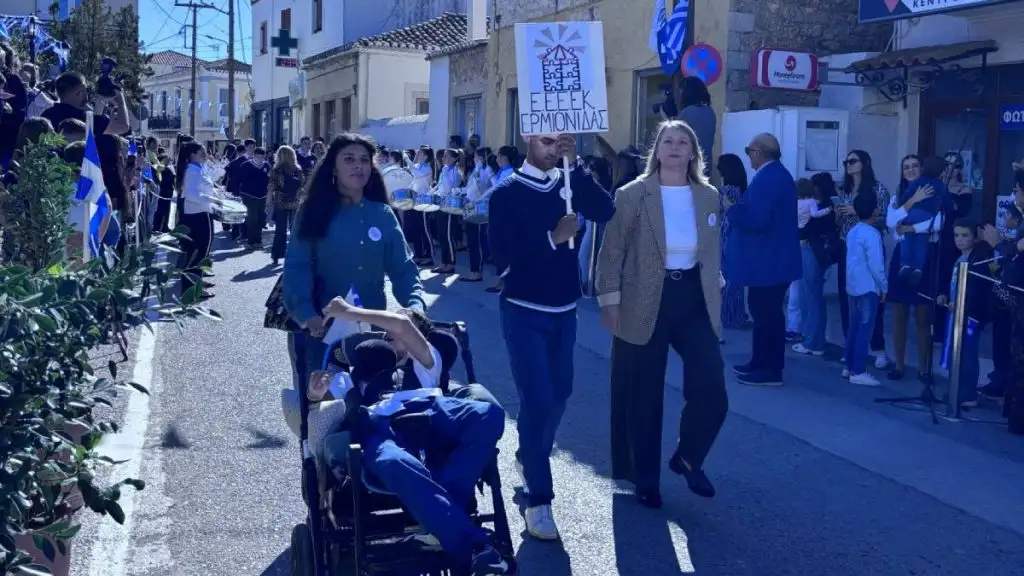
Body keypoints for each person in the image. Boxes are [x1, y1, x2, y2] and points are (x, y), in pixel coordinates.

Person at [316, 300, 512, 574]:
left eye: (390, 330)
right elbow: (321, 399)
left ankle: (440, 522)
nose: (385, 334)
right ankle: (472, 546)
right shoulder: (357, 372)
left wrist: (349, 312)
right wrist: (315, 391)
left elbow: (403, 326)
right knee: (392, 462)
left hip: (431, 411)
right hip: (380, 422)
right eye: (383, 331)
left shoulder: (427, 362)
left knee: (488, 414)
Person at [488, 132, 614, 540]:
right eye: (546, 141)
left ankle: (530, 453)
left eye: (561, 141)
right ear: (527, 138)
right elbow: (501, 260)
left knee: (560, 395)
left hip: (564, 309)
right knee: (537, 400)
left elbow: (606, 210)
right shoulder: (505, 192)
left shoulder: (568, 182)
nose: (554, 148)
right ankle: (538, 498)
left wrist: (575, 168)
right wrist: (551, 239)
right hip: (523, 310)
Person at [596, 119, 727, 508]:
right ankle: (644, 478)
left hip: (693, 297)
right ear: (657, 150)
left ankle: (688, 457)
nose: (674, 147)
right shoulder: (632, 194)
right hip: (643, 297)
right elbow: (612, 252)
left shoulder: (708, 195)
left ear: (692, 152)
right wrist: (609, 302)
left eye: (682, 142)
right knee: (642, 392)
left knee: (711, 387)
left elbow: (710, 247)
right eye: (667, 141)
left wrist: (716, 281)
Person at [282, 132, 426, 396]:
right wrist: (307, 315)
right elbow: (296, 267)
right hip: (320, 331)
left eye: (364, 160)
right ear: (333, 168)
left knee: (369, 409)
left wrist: (415, 307)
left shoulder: (382, 214)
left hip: (371, 331)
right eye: (349, 159)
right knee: (324, 411)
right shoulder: (312, 213)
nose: (358, 165)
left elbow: (403, 269)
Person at [726, 133, 801, 386]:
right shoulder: (775, 175)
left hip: (770, 262)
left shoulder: (770, 179)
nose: (748, 155)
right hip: (770, 261)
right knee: (763, 312)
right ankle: (759, 362)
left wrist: (731, 209)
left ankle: (770, 369)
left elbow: (757, 221)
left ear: (759, 152)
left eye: (749, 151)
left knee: (767, 314)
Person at [885, 155, 943, 382]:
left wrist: (910, 229)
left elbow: (938, 224)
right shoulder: (897, 195)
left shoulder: (934, 193)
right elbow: (891, 223)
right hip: (901, 257)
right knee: (899, 314)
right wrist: (911, 201)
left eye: (914, 166)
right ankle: (898, 365)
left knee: (922, 315)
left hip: (926, 257)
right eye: (906, 167)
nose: (910, 170)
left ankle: (922, 368)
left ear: (922, 169)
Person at [836, 150, 892, 369]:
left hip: (870, 244)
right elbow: (839, 224)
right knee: (847, 298)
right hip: (847, 245)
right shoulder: (844, 189)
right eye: (846, 162)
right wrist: (840, 214)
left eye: (853, 161)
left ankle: (878, 349)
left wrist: (857, 212)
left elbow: (885, 219)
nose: (849, 165)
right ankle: (850, 348)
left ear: (865, 163)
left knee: (872, 298)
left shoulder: (878, 189)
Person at [935, 220, 993, 408]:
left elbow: (978, 291)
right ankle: (956, 388)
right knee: (955, 351)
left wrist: (962, 304)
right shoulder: (958, 258)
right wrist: (944, 295)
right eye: (956, 235)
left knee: (967, 354)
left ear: (974, 237)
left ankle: (968, 393)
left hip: (970, 316)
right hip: (954, 313)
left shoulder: (979, 260)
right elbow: (949, 283)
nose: (959, 240)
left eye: (964, 235)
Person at [843, 192, 887, 386]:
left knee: (854, 327)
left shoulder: (853, 231)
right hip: (869, 287)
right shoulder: (873, 234)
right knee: (865, 329)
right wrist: (884, 286)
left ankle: (848, 365)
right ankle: (858, 370)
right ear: (875, 210)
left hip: (852, 286)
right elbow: (876, 264)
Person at [175, 141, 223, 299]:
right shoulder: (192, 171)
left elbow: (210, 182)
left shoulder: (197, 168)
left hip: (201, 213)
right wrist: (212, 201)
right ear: (192, 155)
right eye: (202, 152)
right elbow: (191, 195)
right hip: (196, 215)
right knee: (196, 252)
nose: (205, 154)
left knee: (202, 251)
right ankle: (192, 289)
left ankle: (197, 283)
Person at [898, 156, 948, 284]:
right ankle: (918, 268)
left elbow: (906, 196)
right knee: (921, 242)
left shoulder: (919, 181)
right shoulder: (941, 185)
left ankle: (905, 264)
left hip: (913, 214)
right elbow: (946, 203)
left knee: (907, 237)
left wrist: (907, 202)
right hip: (928, 216)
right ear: (941, 172)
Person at [715, 153, 749, 329]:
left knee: (727, 278)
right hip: (738, 238)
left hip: (726, 237)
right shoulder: (743, 190)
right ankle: (736, 314)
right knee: (735, 280)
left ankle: (728, 316)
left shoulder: (726, 191)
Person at [41, 71, 130, 137]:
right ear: (79, 93)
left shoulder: (45, 116)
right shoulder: (85, 119)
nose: (87, 94)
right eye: (85, 90)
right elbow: (123, 126)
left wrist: (101, 102)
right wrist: (120, 98)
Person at [462, 147, 495, 282]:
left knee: (478, 241)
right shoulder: (476, 170)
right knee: (472, 241)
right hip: (471, 207)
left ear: (481, 158)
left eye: (475, 157)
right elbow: (470, 187)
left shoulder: (488, 171)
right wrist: (460, 191)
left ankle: (477, 272)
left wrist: (483, 196)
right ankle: (473, 270)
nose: (474, 159)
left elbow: (495, 185)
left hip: (481, 209)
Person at [267, 145, 304, 265]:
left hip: (280, 200)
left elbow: (271, 186)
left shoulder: (276, 169)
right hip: (295, 200)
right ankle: (295, 254)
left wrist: (268, 202)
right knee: (294, 230)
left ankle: (276, 255)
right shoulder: (297, 169)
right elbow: (302, 185)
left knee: (280, 230)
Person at [434, 148, 464, 274]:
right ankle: (444, 263)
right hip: (441, 204)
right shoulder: (444, 170)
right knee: (441, 235)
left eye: (446, 156)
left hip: (450, 206)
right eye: (444, 156)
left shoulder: (455, 172)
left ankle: (451, 263)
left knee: (448, 235)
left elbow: (449, 187)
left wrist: (445, 172)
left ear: (453, 159)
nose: (443, 158)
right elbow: (440, 186)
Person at [237, 147, 271, 249]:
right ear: (254, 156)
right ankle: (251, 241)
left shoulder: (267, 166)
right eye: (258, 156)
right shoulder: (246, 165)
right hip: (249, 196)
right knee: (252, 219)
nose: (260, 159)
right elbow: (239, 180)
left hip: (263, 196)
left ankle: (258, 240)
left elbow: (270, 180)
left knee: (261, 218)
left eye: (262, 157)